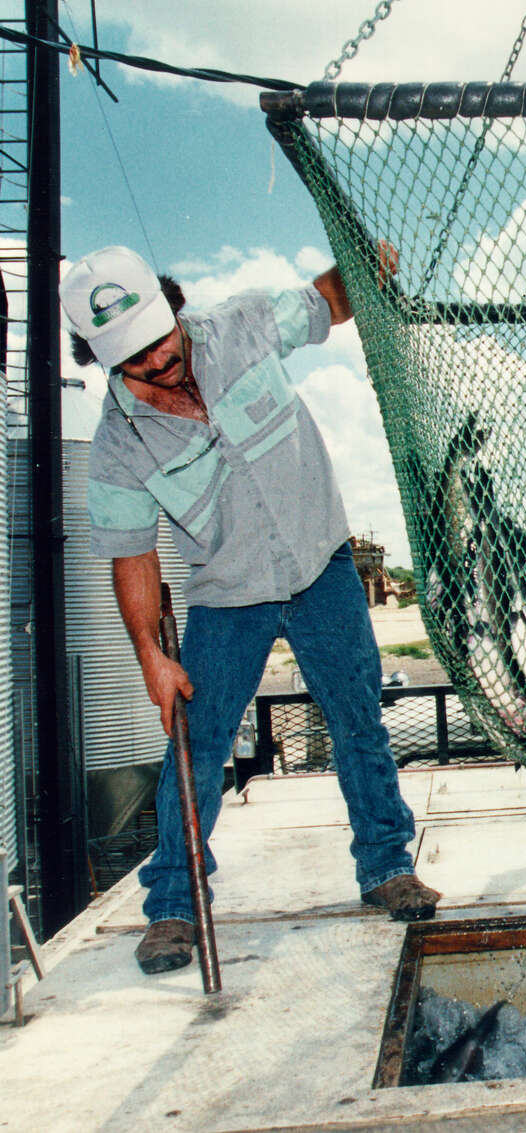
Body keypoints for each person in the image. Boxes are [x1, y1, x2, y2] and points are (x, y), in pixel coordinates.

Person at [60, 245, 441, 974]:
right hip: (226, 596)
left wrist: (370, 265)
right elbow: (132, 554)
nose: (161, 361)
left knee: (358, 717)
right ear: (105, 360)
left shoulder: (241, 324)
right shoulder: (117, 446)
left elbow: (328, 298)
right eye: (136, 359)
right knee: (195, 745)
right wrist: (151, 654)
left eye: (162, 339)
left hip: (321, 563)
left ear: (173, 305)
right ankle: (173, 904)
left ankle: (386, 866)